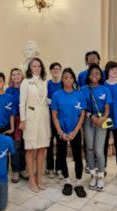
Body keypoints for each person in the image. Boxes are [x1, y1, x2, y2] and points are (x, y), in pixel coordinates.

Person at [51, 68, 87, 197]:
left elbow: (82, 114)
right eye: (65, 77)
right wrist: (60, 131)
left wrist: (76, 130)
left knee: (78, 157)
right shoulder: (56, 95)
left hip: (75, 131)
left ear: (73, 79)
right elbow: (54, 114)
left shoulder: (79, 94)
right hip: (61, 131)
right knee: (61, 156)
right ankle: (67, 181)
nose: (68, 79)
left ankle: (78, 182)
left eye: (70, 77)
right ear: (62, 79)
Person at [19, 58, 51, 192]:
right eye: (34, 66)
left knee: (42, 148)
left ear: (41, 68)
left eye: (39, 66)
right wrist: (23, 120)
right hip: (31, 118)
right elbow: (22, 103)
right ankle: (31, 179)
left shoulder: (44, 82)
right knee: (31, 149)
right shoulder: (26, 82)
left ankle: (39, 178)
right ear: (30, 68)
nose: (36, 68)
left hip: (43, 117)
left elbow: (44, 99)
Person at [81, 64, 112, 191]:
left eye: (97, 74)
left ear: (100, 76)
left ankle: (100, 176)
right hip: (88, 122)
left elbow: (107, 107)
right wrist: (91, 116)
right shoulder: (83, 89)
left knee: (99, 150)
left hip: (101, 122)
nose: (94, 76)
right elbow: (82, 107)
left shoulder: (105, 89)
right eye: (92, 73)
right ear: (89, 75)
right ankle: (92, 175)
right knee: (89, 148)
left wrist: (103, 118)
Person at [6, 68, 28, 183]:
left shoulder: (26, 88)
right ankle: (15, 169)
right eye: (13, 74)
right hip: (14, 121)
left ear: (22, 76)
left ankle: (23, 168)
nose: (16, 76)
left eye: (18, 74)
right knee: (16, 146)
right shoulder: (8, 91)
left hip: (26, 120)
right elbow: (8, 107)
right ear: (11, 77)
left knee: (25, 146)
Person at [46, 62, 63, 179]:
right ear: (50, 71)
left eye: (57, 69)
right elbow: (44, 99)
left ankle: (59, 168)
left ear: (60, 70)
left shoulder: (64, 84)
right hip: (48, 119)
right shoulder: (47, 84)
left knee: (61, 144)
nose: (55, 71)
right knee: (50, 144)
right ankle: (50, 168)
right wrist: (53, 102)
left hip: (61, 119)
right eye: (53, 69)